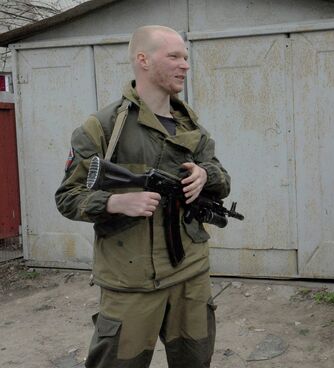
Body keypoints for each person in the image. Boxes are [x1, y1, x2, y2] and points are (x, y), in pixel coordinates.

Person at [55, 25, 231, 367]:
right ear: (143, 60)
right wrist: (114, 202)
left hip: (190, 277)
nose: (185, 65)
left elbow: (222, 180)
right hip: (130, 283)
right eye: (174, 56)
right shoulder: (103, 127)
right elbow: (67, 197)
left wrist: (205, 174)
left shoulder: (191, 126)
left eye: (186, 57)